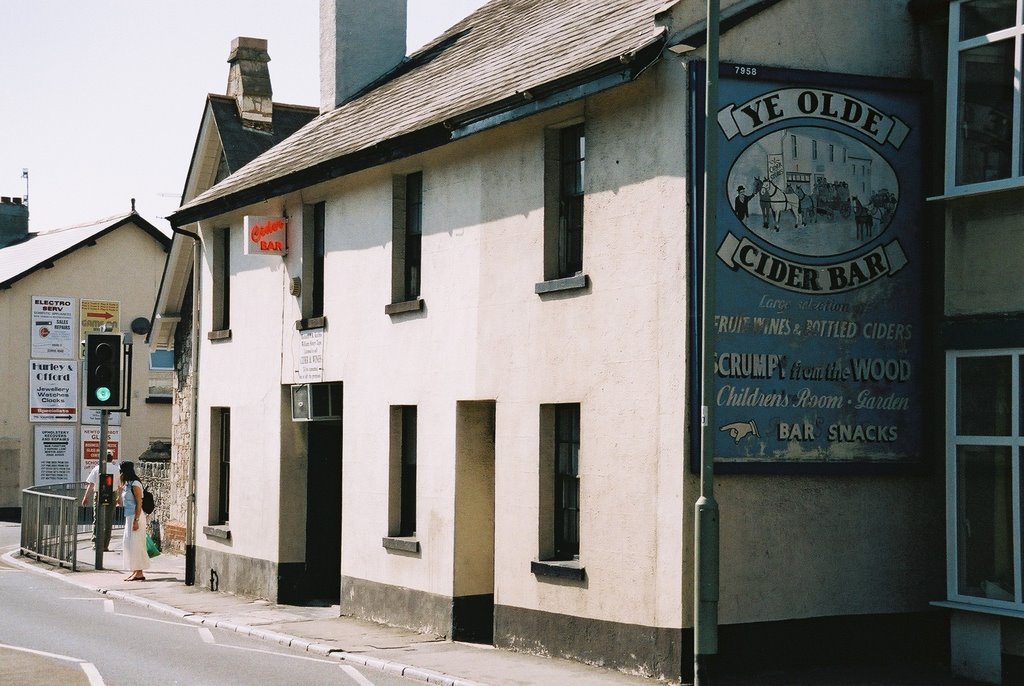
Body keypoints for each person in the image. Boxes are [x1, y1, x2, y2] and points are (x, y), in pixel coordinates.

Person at [81, 451, 119, 551]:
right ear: (112, 458)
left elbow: (91, 484)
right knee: (108, 520)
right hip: (112, 494)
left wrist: (85, 497)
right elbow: (120, 485)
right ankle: (105, 545)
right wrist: (119, 498)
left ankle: (96, 543)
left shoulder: (97, 468)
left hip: (99, 494)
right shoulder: (116, 469)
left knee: (97, 519)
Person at [119, 461, 150, 581]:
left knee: (136, 544)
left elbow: (139, 503)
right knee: (129, 544)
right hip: (129, 516)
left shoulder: (135, 484)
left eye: (120, 471)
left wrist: (136, 520)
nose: (119, 473)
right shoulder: (127, 483)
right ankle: (135, 571)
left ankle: (139, 573)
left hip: (136, 517)